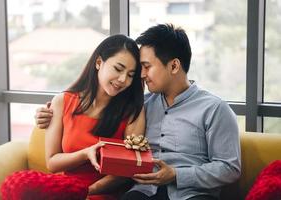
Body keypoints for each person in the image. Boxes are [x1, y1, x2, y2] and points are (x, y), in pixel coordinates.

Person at [35, 24, 241, 200]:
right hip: (144, 192)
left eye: (146, 67)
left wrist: (177, 175)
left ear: (174, 66)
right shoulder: (142, 105)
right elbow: (87, 105)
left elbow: (230, 168)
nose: (140, 76)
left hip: (191, 193)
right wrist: (47, 113)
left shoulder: (214, 109)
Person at [1, 34, 145, 200]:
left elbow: (127, 171)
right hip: (65, 188)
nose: (122, 79)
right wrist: (85, 153)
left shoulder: (133, 111)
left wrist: (87, 191)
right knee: (16, 184)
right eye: (118, 69)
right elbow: (52, 163)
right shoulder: (63, 101)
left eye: (130, 75)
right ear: (99, 63)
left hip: (99, 193)